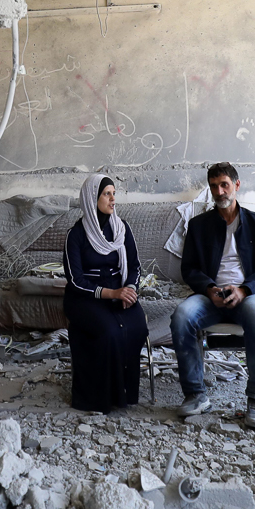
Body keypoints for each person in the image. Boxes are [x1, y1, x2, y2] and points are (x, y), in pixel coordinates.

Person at [171, 162, 255, 428]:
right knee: (181, 316)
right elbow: (189, 268)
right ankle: (196, 394)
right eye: (213, 187)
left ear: (237, 185)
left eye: (224, 185)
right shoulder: (199, 226)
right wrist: (210, 289)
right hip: (211, 296)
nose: (219, 192)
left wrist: (244, 290)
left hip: (247, 296)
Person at [63, 173, 149, 413]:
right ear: (92, 199)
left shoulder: (122, 229)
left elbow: (134, 266)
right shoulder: (76, 235)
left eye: (114, 193)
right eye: (106, 194)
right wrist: (113, 294)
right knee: (110, 331)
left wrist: (130, 289)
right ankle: (96, 398)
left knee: (137, 327)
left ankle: (125, 393)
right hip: (86, 297)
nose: (113, 200)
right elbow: (75, 280)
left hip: (119, 290)